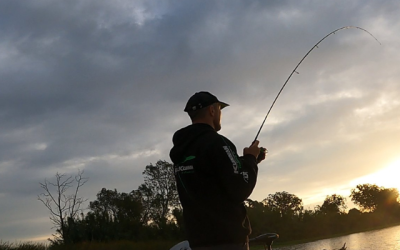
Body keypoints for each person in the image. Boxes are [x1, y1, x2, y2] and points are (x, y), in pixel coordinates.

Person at [169, 91, 266, 250]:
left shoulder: (182, 150)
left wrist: (249, 160)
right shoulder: (218, 143)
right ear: (212, 111)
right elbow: (241, 187)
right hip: (229, 240)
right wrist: (250, 160)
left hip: (198, 241)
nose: (220, 114)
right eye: (220, 109)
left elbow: (209, 175)